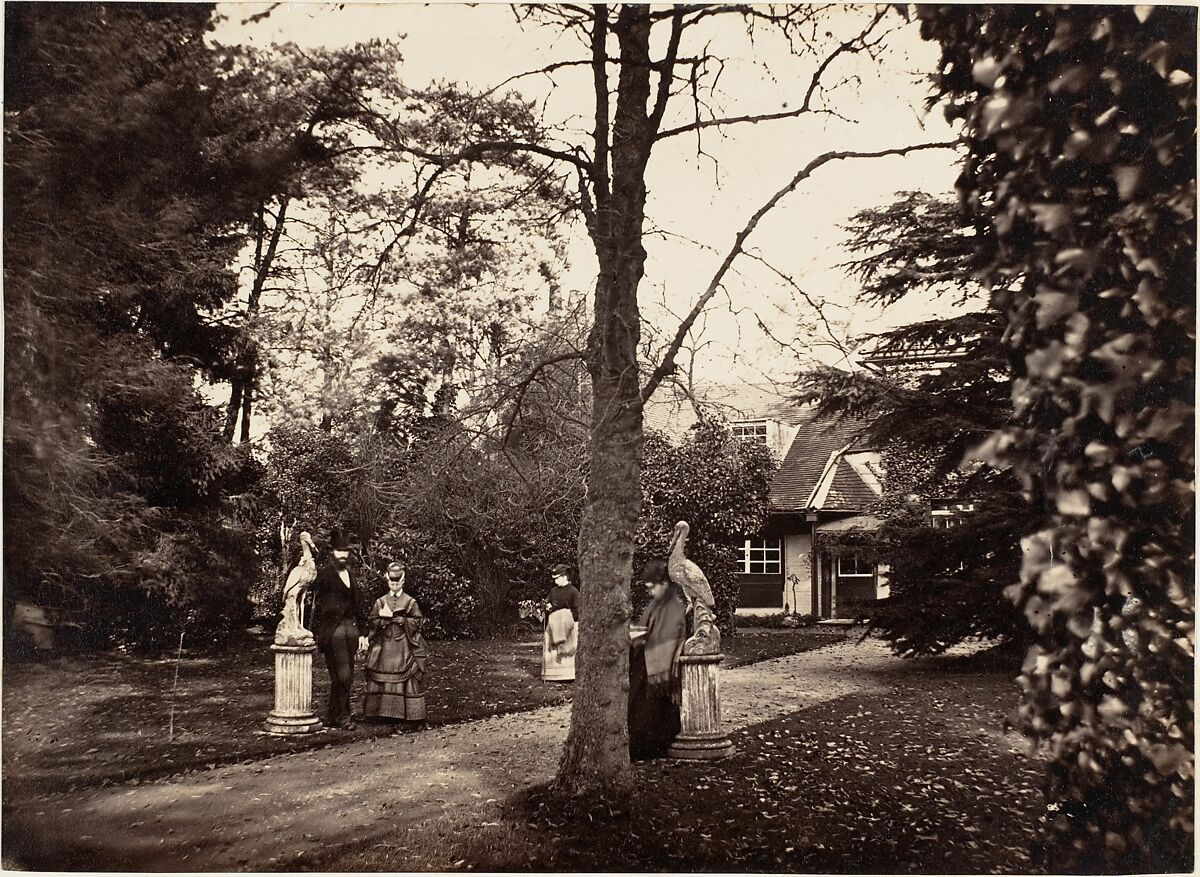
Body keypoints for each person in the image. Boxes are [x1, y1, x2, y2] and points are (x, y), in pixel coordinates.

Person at [628, 559, 687, 761]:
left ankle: (650, 748)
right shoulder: (656, 604)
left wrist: (643, 638)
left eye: (653, 587)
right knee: (637, 703)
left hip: (660, 667)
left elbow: (668, 637)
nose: (651, 592)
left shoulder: (673, 607)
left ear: (664, 584)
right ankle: (639, 747)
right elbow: (648, 627)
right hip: (646, 662)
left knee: (650, 709)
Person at [310, 528, 368, 730]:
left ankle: (332, 716)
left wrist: (363, 633)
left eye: (345, 552)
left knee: (341, 676)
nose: (343, 555)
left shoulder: (351, 575)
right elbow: (313, 599)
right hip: (333, 630)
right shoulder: (325, 575)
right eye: (338, 551)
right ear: (331, 552)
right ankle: (344, 716)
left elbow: (359, 604)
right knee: (343, 676)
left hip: (350, 629)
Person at [362, 562, 427, 725]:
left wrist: (404, 620)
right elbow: (372, 621)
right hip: (384, 644)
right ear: (387, 581)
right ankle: (379, 713)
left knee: (404, 667)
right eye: (392, 582)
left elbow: (418, 621)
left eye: (397, 582)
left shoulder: (410, 602)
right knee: (381, 667)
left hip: (403, 644)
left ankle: (407, 714)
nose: (395, 585)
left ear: (403, 581)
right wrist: (382, 622)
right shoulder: (380, 601)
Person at [541, 563, 580, 682]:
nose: (555, 581)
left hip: (568, 624)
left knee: (569, 645)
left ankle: (568, 675)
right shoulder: (553, 591)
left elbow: (577, 609)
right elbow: (549, 603)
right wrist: (547, 607)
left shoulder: (573, 591)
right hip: (554, 623)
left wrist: (568, 618)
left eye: (557, 578)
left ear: (565, 577)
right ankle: (553, 675)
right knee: (551, 643)